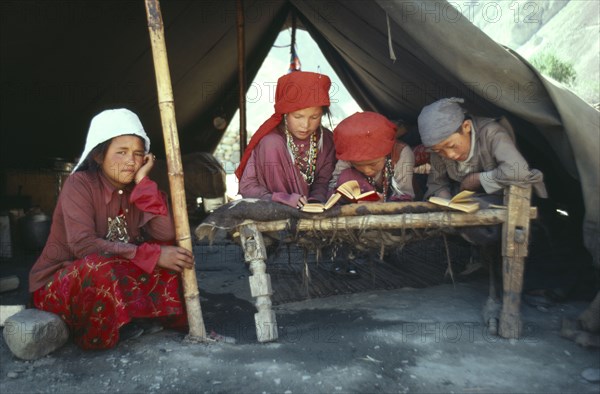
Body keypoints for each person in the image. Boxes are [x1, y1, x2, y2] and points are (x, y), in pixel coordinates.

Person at [28, 108, 193, 350]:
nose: (131, 161)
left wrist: (144, 184)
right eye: (121, 152)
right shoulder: (79, 185)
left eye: (138, 154)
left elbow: (165, 234)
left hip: (113, 269)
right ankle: (102, 332)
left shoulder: (140, 188)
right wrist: (151, 255)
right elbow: (83, 245)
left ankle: (141, 318)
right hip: (64, 282)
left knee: (175, 253)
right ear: (98, 155)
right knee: (100, 267)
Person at [236, 71, 336, 209]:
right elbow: (247, 186)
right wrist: (279, 198)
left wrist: (315, 201)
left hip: (311, 210)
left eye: (314, 117)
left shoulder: (326, 139)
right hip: (273, 208)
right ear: (285, 113)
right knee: (272, 143)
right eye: (298, 116)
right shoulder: (268, 140)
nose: (305, 125)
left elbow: (324, 182)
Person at [329, 111, 415, 202]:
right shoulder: (348, 155)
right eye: (358, 165)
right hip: (361, 204)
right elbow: (334, 183)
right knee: (345, 176)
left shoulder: (401, 153)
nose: (367, 170)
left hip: (395, 205)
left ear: (386, 153)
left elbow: (404, 192)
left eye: (373, 164)